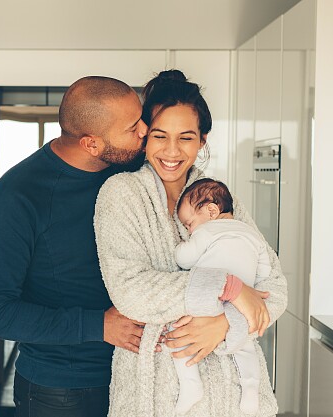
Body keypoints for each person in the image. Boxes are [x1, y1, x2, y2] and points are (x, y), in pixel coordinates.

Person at [94, 70, 287, 417]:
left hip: (234, 397)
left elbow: (274, 288)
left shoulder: (219, 197)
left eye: (185, 137)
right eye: (159, 136)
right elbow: (131, 291)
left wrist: (227, 323)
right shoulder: (120, 195)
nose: (171, 150)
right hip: (154, 395)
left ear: (202, 140)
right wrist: (232, 289)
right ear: (144, 138)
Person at [0, 76, 151, 417]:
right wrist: (99, 325)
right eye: (133, 127)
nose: (145, 130)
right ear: (91, 144)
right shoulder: (15, 197)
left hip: (136, 378)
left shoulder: (126, 172)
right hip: (62, 393)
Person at [173, 178, 272, 416]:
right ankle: (250, 389)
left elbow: (184, 259)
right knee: (245, 346)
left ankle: (190, 384)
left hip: (210, 295)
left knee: (178, 332)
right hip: (240, 305)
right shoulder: (252, 233)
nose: (189, 229)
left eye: (189, 223)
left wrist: (180, 246)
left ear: (211, 210)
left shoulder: (206, 231)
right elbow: (266, 271)